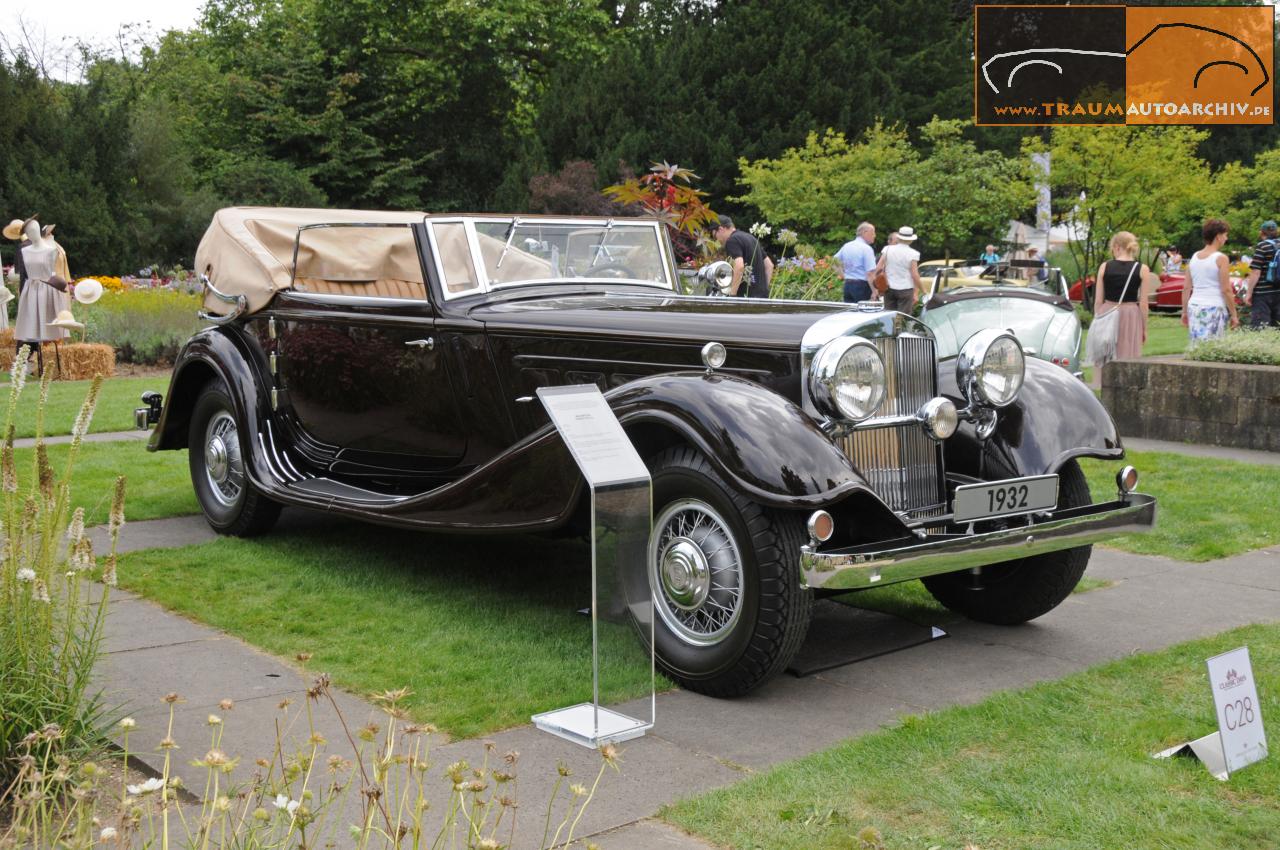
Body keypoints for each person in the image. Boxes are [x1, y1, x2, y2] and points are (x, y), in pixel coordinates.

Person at [1092, 231, 1152, 385]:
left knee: (1105, 352)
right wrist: (1144, 328)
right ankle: (1126, 384)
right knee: (1127, 351)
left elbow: (1098, 300)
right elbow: (1144, 304)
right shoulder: (1142, 269)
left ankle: (1102, 383)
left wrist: (1097, 319)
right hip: (1130, 313)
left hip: (1107, 311)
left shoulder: (1105, 267)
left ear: (1117, 247)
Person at [1183, 218, 1240, 342]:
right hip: (1214, 307)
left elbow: (1186, 287)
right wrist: (1234, 315)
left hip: (1194, 306)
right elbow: (1226, 289)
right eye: (1225, 235)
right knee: (1213, 346)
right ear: (1218, 236)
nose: (1226, 238)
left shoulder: (1194, 257)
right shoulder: (1221, 258)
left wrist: (1184, 312)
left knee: (1197, 346)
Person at [713, 214, 772, 298]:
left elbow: (739, 266)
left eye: (714, 236)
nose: (717, 240)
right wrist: (764, 290)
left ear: (720, 229)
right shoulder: (751, 238)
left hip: (745, 299)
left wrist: (732, 295)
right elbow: (769, 265)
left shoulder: (732, 240)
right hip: (762, 299)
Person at [875, 226, 923, 314]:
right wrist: (923, 290)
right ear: (911, 240)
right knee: (902, 318)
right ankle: (900, 328)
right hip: (906, 289)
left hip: (889, 288)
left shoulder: (887, 249)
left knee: (888, 316)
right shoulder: (914, 254)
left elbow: (878, 268)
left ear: (899, 238)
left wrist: (877, 286)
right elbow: (914, 275)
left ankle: (890, 328)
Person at [1243, 219, 1280, 329]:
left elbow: (1256, 272)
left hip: (1262, 294)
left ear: (1261, 232)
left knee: (1261, 328)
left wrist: (1249, 293)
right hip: (1279, 291)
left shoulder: (1262, 246)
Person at [834, 222, 876, 303]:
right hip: (862, 286)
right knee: (863, 313)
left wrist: (843, 275)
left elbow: (834, 261)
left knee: (849, 313)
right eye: (873, 233)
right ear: (865, 232)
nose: (874, 236)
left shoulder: (847, 246)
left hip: (848, 285)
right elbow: (870, 273)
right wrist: (874, 291)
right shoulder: (866, 249)